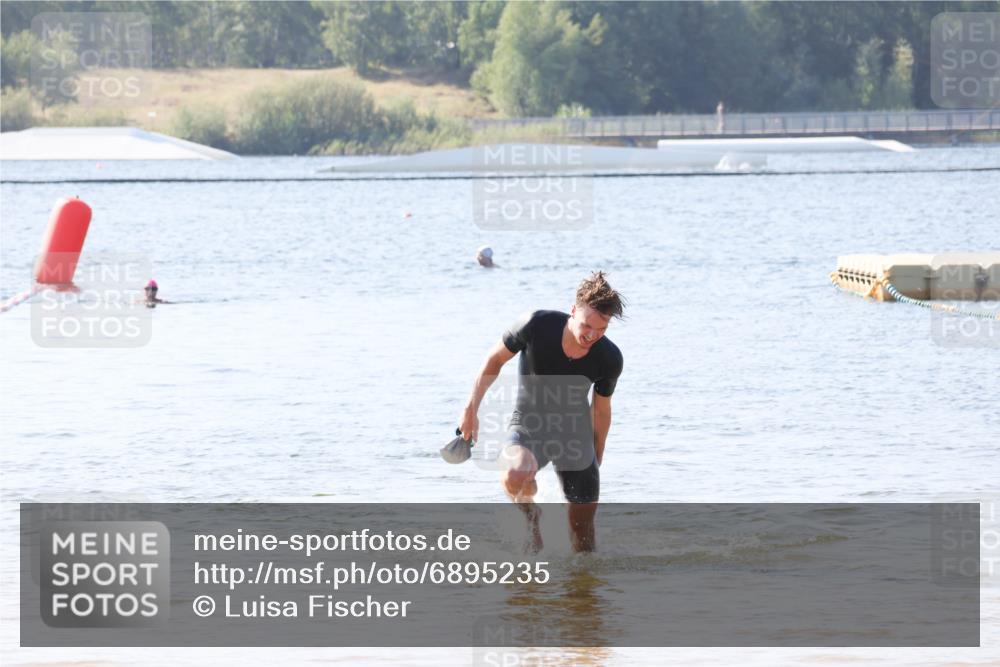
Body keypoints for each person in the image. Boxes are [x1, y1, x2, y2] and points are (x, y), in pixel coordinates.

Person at [459, 272, 624, 553]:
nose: (592, 335)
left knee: (584, 542)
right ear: (573, 311)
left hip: (574, 437)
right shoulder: (536, 325)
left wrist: (598, 451)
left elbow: (601, 410)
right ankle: (531, 518)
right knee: (515, 474)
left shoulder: (609, 358)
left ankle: (581, 583)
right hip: (529, 426)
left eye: (602, 329)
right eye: (587, 325)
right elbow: (494, 360)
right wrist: (471, 408)